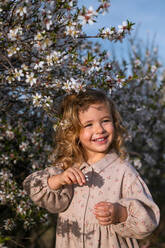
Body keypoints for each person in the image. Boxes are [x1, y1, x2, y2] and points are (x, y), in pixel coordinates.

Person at [23, 89, 160, 248]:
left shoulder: (123, 171)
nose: (99, 129)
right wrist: (58, 180)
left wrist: (120, 213)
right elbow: (32, 188)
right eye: (88, 124)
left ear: (114, 122)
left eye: (105, 120)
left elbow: (149, 220)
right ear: (74, 131)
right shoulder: (68, 166)